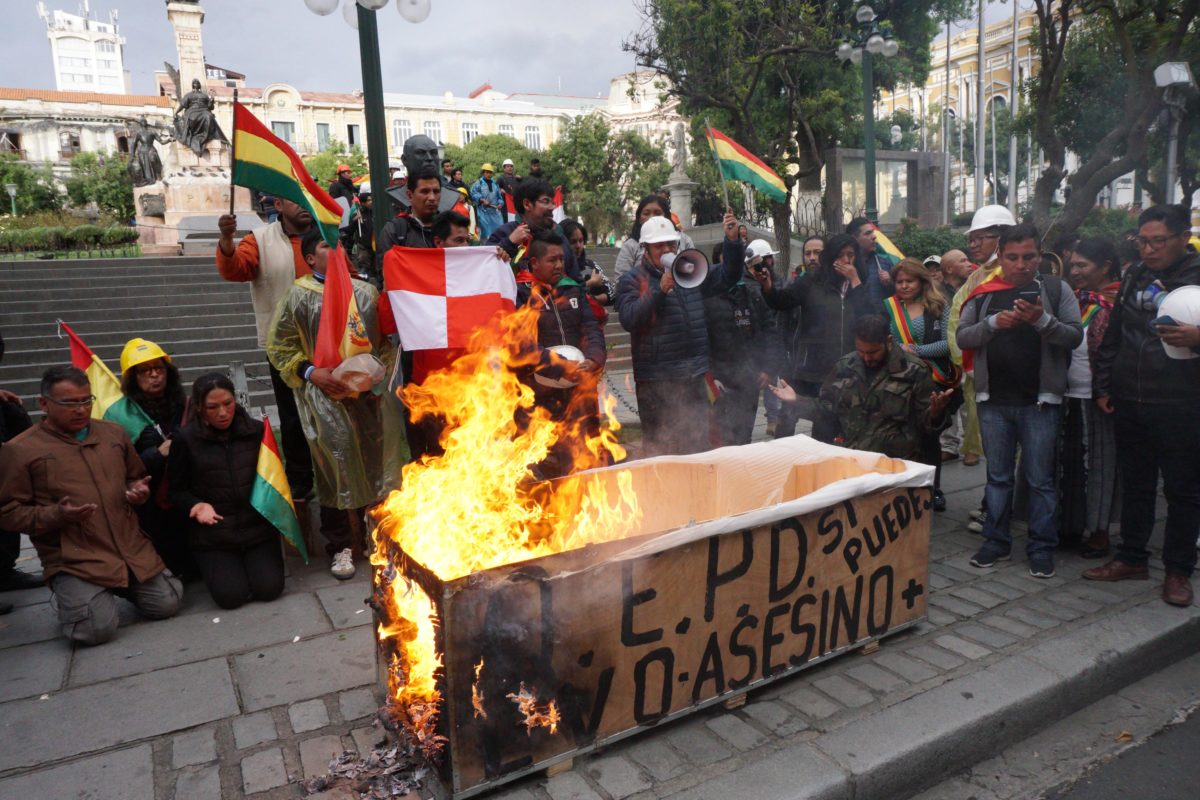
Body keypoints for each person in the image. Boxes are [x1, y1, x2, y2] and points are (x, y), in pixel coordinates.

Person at [0, 366, 183, 645]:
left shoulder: (112, 433)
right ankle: (76, 595)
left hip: (126, 547)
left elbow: (135, 477)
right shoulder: (20, 449)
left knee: (167, 604)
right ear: (44, 404)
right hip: (76, 557)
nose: (81, 410)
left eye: (86, 401)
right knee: (94, 631)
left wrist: (138, 491)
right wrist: (55, 515)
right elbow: (9, 513)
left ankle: (110, 589)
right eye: (70, 403)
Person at [267, 230, 406, 580]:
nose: (336, 251)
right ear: (310, 258)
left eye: (339, 245)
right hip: (324, 395)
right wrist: (313, 372)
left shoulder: (365, 292)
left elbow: (385, 345)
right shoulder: (298, 295)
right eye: (327, 246)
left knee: (376, 464)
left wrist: (374, 377)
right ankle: (341, 545)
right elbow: (281, 347)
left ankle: (378, 538)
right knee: (335, 467)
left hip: (367, 397)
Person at [1084, 204, 1200, 606]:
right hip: (1130, 399)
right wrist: (1103, 386)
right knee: (1136, 484)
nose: (1149, 249)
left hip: (1182, 402)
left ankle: (1178, 571)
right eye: (1143, 241)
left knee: (1183, 491)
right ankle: (1132, 557)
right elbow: (1114, 335)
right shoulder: (1135, 274)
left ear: (1184, 237)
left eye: (1158, 241)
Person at [957, 223, 1083, 579]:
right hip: (992, 400)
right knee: (997, 478)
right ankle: (995, 541)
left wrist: (1040, 320)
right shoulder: (983, 294)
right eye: (1013, 257)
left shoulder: (1057, 289)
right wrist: (995, 323)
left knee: (1041, 480)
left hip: (1040, 402)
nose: (1021, 264)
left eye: (1029, 257)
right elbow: (963, 337)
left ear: (1039, 257)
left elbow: (1074, 336)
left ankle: (1042, 548)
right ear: (1001, 257)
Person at [615, 210, 745, 456]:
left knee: (696, 445)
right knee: (660, 449)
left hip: (694, 376)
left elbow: (728, 276)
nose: (666, 249)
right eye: (659, 245)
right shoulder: (632, 280)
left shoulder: (689, 271)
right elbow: (629, 318)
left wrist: (732, 242)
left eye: (670, 243)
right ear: (645, 248)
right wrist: (658, 292)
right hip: (657, 382)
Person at [217, 197, 316, 502]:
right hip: (284, 345)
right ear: (278, 204)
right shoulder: (259, 239)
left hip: (329, 343)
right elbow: (236, 269)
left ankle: (336, 473)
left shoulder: (326, 235)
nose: (302, 206)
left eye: (305, 200)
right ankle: (301, 480)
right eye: (294, 200)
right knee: (292, 416)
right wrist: (226, 240)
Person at [167, 373, 285, 610]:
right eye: (213, 407)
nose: (222, 413)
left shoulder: (255, 431)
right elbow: (176, 491)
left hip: (256, 529)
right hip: (215, 535)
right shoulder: (185, 439)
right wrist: (196, 505)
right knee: (231, 597)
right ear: (199, 408)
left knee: (269, 589)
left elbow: (275, 479)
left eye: (228, 404)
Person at [751, 233, 875, 441]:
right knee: (790, 414)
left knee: (827, 424)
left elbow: (870, 318)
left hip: (846, 368)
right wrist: (768, 286)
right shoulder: (811, 282)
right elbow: (782, 301)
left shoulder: (859, 285)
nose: (846, 261)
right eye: (841, 255)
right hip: (811, 368)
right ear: (831, 258)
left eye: (850, 255)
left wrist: (855, 281)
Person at [778, 315, 950, 459]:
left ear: (888, 341)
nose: (867, 358)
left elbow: (926, 427)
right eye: (861, 351)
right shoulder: (845, 367)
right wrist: (797, 400)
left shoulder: (914, 370)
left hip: (895, 463)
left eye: (873, 352)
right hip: (852, 459)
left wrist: (935, 414)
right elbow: (826, 412)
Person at [516, 231, 607, 477]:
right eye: (552, 260)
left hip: (579, 393)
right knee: (547, 467)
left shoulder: (574, 290)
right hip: (539, 399)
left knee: (586, 458)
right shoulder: (521, 294)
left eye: (561, 259)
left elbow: (591, 328)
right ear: (534, 263)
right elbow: (523, 346)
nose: (559, 264)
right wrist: (560, 366)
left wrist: (593, 360)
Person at [883, 259, 957, 511]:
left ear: (922, 281)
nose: (903, 286)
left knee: (929, 435)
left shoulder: (939, 305)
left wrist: (913, 349)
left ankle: (933, 488)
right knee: (901, 434)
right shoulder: (890, 307)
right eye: (899, 281)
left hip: (932, 381)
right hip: (900, 381)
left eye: (909, 281)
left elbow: (948, 344)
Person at [1066, 237, 1123, 559]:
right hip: (1068, 392)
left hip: (1100, 397)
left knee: (1102, 465)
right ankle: (1073, 525)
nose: (1075, 271)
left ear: (1105, 267)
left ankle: (1100, 531)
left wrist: (1105, 389)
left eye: (1082, 265)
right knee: (1071, 464)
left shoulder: (1118, 302)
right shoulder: (1074, 300)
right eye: (1073, 264)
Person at [119, 338, 195, 579]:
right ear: (132, 377)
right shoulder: (120, 415)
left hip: (186, 490)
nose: (154, 375)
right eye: (145, 371)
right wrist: (157, 454)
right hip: (151, 501)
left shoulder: (184, 404)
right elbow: (120, 468)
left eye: (158, 368)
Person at [950, 206, 1017, 469]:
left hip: (1008, 373)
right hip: (975, 368)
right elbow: (958, 316)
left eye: (981, 237)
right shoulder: (977, 275)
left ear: (1002, 236)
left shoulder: (1016, 272)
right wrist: (963, 361)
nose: (974, 244)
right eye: (971, 239)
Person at [705, 241, 783, 446]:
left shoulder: (752, 295)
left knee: (744, 437)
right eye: (726, 263)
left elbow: (770, 332)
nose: (730, 269)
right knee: (720, 440)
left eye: (735, 262)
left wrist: (768, 369)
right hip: (720, 383)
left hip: (750, 380)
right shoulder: (706, 299)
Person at [489, 179, 583, 281]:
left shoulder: (559, 237)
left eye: (552, 202)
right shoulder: (505, 233)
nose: (552, 207)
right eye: (546, 201)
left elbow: (577, 281)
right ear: (527, 204)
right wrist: (509, 243)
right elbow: (485, 271)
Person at [614, 195, 697, 276]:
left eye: (658, 213)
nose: (651, 217)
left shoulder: (684, 240)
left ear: (667, 217)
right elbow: (621, 280)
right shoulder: (630, 246)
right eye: (646, 213)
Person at [379, 168, 441, 252]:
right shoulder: (394, 230)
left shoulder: (451, 227)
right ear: (410, 195)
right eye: (425, 192)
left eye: (436, 191)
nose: (432, 198)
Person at [846, 217, 896, 306]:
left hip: (881, 318)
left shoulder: (885, 263)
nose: (874, 236)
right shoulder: (844, 265)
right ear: (854, 239)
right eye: (868, 233)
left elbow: (898, 296)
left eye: (872, 232)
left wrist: (890, 283)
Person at [470, 164, 504, 241]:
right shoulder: (478, 184)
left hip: (495, 213)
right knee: (485, 235)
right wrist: (481, 200)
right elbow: (473, 194)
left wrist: (500, 204)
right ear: (483, 173)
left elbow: (500, 198)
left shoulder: (495, 184)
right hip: (483, 213)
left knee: (498, 234)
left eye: (490, 172)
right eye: (487, 172)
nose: (489, 174)